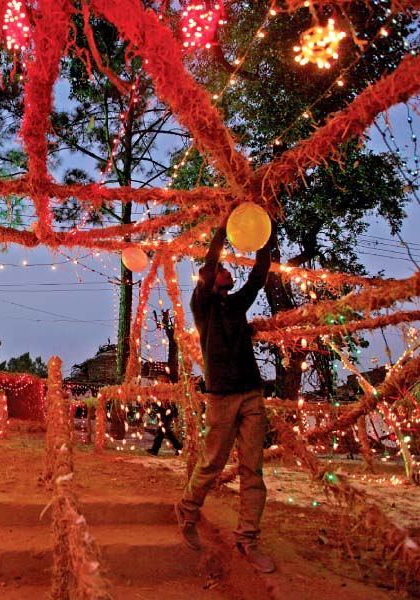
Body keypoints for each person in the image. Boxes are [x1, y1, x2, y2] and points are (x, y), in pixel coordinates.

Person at [174, 212, 276, 573]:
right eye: (220, 269)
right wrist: (224, 225)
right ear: (210, 278)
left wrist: (264, 231)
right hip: (220, 395)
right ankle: (187, 512)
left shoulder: (237, 303)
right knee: (212, 463)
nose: (226, 269)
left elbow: (259, 275)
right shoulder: (202, 306)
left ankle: (247, 538)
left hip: (251, 393)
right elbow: (211, 260)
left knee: (253, 468)